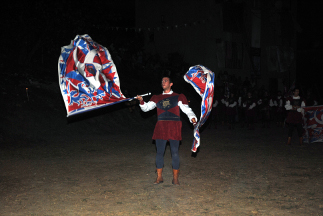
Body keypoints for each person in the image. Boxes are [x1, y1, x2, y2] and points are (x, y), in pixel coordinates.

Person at [136, 76, 197, 185]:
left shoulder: (178, 96)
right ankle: (159, 177)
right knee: (159, 153)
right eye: (162, 81)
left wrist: (193, 120)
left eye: (166, 81)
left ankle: (175, 178)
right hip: (161, 127)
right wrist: (141, 101)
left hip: (174, 127)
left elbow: (187, 110)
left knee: (174, 153)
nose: (163, 82)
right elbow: (146, 108)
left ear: (171, 84)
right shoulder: (156, 97)